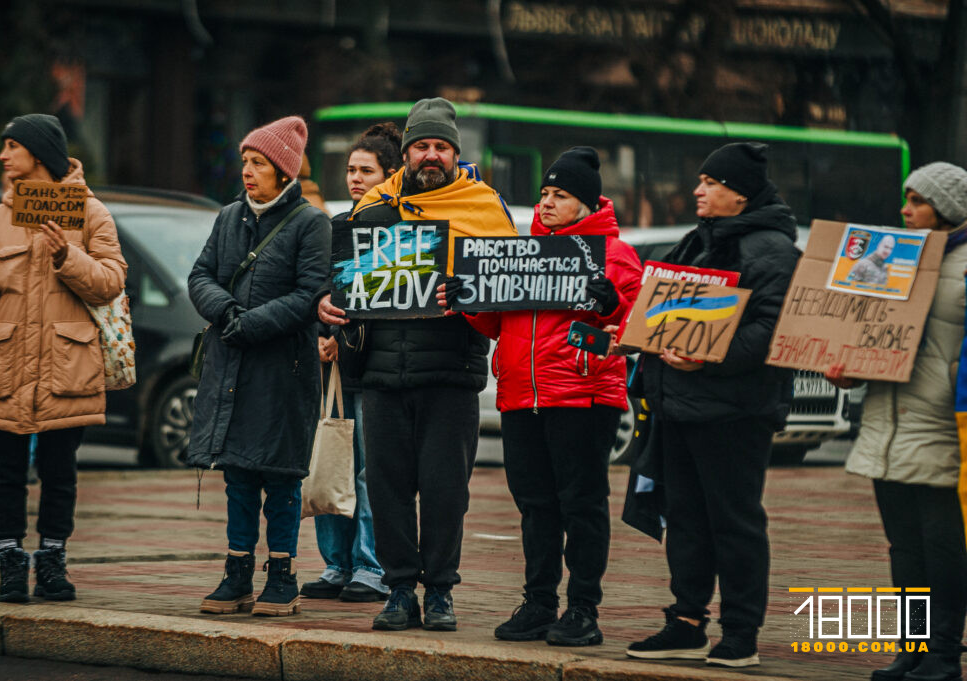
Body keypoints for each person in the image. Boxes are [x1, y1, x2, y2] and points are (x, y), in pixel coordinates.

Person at [317, 97, 517, 632]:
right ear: (406, 154)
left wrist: (471, 293)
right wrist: (326, 308)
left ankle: (442, 592)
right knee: (387, 490)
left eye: (441, 147)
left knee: (447, 490)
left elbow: (507, 288)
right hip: (381, 376)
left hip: (451, 377)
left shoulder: (484, 206)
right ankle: (399, 589)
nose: (431, 155)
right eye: (421, 146)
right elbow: (340, 283)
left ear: (456, 153)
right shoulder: (369, 209)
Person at [443, 147, 643, 646]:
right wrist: (467, 299)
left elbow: (637, 325)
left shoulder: (614, 255)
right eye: (544, 194)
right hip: (520, 396)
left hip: (582, 395)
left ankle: (583, 609)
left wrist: (612, 303)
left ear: (587, 204)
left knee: (582, 503)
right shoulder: (522, 251)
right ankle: (538, 602)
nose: (546, 203)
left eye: (560, 195)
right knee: (534, 504)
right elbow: (496, 323)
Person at [625, 142, 800, 667]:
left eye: (710, 183)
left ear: (738, 194)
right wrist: (635, 333)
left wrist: (708, 359)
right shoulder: (697, 242)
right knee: (685, 519)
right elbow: (663, 314)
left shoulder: (771, 251)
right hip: (679, 407)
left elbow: (773, 332)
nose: (698, 190)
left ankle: (741, 632)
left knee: (734, 521)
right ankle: (686, 622)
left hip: (735, 412)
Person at [0, 114, 128, 603]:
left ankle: (52, 560)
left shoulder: (89, 212)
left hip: (65, 366)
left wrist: (65, 257)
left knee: (60, 472)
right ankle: (10, 561)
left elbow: (112, 280)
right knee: (5, 473)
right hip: (4, 364)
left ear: (38, 153)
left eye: (12, 146)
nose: (2, 155)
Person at [827, 162, 967, 681]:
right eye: (905, 200)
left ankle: (945, 654)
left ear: (946, 210)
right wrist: (844, 370)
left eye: (916, 202)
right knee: (904, 548)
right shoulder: (890, 260)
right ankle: (912, 649)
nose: (904, 211)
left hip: (939, 428)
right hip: (886, 427)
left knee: (943, 546)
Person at [188, 116, 331, 617]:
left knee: (280, 476)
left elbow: (312, 292)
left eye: (259, 163)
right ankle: (237, 575)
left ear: (284, 171)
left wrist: (252, 324)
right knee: (238, 475)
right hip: (231, 368)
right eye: (245, 161)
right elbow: (201, 274)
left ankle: (283, 576)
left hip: (283, 371)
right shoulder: (229, 217)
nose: (247, 171)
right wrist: (226, 312)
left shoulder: (310, 222)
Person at [300, 123, 402, 603]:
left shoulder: (404, 230)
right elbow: (323, 292)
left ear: (390, 175)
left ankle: (371, 567)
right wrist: (324, 335)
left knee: (368, 473)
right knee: (332, 462)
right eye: (350, 170)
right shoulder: (337, 225)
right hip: (338, 369)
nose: (355, 178)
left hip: (377, 369)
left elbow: (393, 305)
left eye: (367, 170)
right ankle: (335, 566)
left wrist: (349, 341)